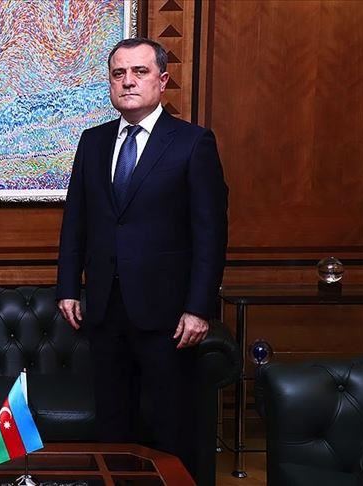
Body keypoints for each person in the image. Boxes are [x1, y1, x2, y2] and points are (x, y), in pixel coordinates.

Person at [56, 37, 228, 477]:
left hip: (168, 315)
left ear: (162, 80)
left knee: (170, 426)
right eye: (119, 74)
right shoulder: (92, 142)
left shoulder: (192, 143)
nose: (128, 81)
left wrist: (199, 308)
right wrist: (68, 287)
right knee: (113, 426)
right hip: (105, 310)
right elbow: (76, 220)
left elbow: (210, 233)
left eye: (140, 72)